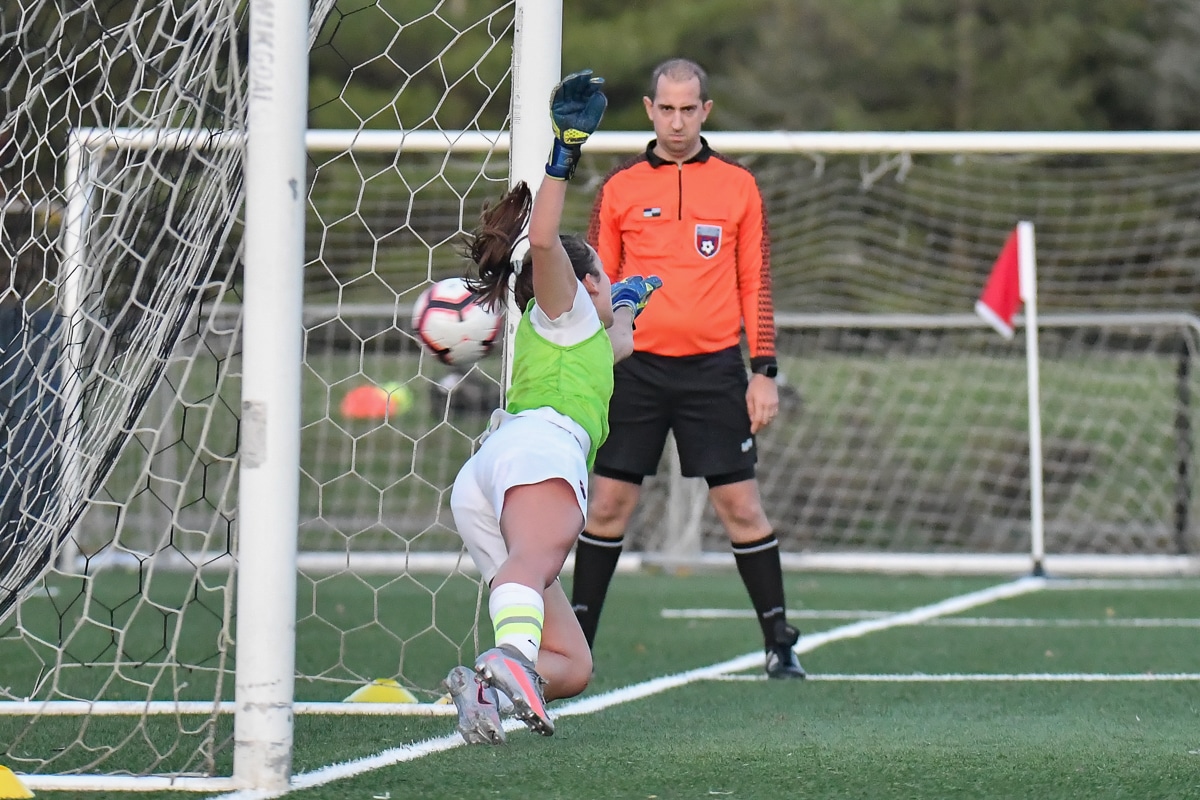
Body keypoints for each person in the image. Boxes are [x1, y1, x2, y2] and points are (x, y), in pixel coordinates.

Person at [441, 69, 663, 745]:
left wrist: (628, 300)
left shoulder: (580, 337)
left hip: (493, 474)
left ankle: (488, 684)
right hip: (538, 456)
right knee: (534, 567)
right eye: (604, 277)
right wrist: (564, 151)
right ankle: (508, 656)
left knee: (571, 663)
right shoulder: (563, 311)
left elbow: (620, 341)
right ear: (583, 282)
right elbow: (542, 242)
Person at [569, 58, 806, 679]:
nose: (677, 122)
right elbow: (596, 286)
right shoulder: (620, 189)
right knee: (607, 506)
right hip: (635, 372)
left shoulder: (738, 186)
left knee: (741, 509)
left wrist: (763, 370)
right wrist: (592, 363)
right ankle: (575, 647)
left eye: (688, 109)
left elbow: (755, 282)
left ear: (706, 111)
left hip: (713, 372)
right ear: (650, 110)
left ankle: (779, 643)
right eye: (666, 109)